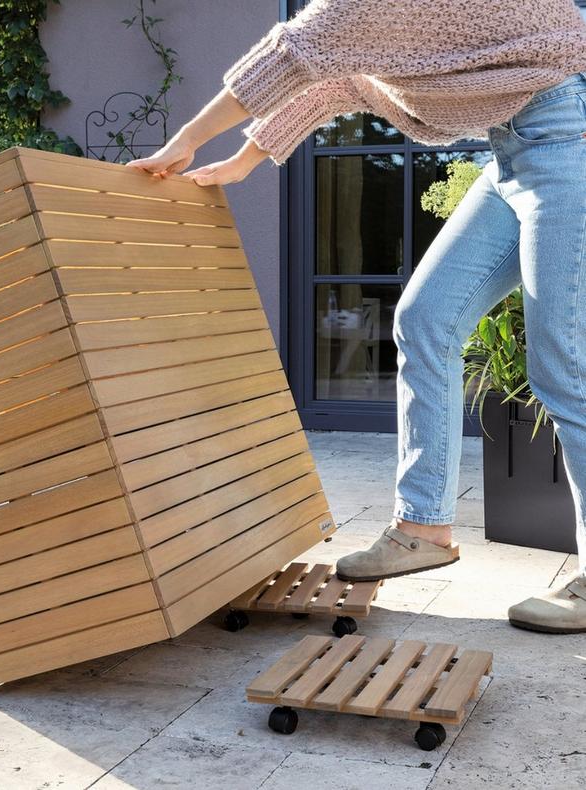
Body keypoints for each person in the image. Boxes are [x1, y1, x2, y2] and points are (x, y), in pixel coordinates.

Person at [126, 0, 586, 633]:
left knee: (565, 368)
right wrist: (243, 160)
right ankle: (423, 527)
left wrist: (185, 141)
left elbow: (287, 58)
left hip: (569, 133)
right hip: (514, 149)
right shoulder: (363, 23)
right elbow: (330, 84)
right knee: (425, 319)